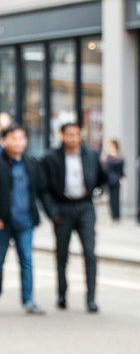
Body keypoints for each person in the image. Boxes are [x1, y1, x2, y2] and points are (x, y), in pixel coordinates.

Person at [39, 121, 107, 313]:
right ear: (62, 136)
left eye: (76, 134)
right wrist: (51, 212)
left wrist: (99, 190)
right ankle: (62, 294)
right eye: (69, 134)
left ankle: (91, 299)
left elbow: (103, 177)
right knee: (62, 254)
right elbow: (43, 189)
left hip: (85, 207)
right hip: (62, 209)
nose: (73, 138)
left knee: (90, 252)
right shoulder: (50, 158)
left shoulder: (91, 155)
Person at [0, 124, 46, 314]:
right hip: (3, 222)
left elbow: (41, 189)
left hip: (25, 221)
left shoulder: (31, 162)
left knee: (27, 261)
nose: (18, 142)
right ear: (4, 141)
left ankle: (28, 300)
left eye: (21, 138)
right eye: (14, 138)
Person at [102, 139, 125, 221]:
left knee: (116, 198)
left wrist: (122, 176)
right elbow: (105, 167)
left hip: (116, 179)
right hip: (109, 179)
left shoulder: (119, 156)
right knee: (111, 198)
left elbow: (122, 168)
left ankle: (116, 215)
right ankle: (112, 215)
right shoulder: (107, 155)